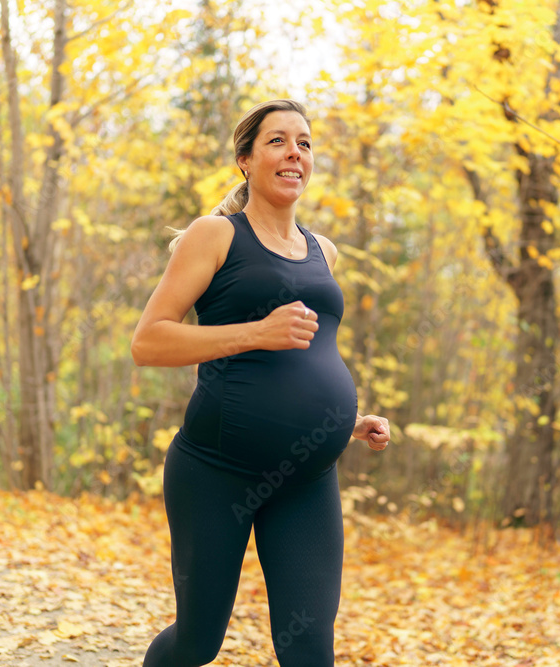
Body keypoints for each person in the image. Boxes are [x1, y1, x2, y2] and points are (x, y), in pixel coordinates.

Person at [131, 99, 391, 667]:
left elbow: (306, 359)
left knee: (308, 649)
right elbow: (148, 342)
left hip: (307, 478)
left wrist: (345, 423)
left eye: (304, 141)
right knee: (197, 642)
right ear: (245, 159)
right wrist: (255, 331)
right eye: (277, 141)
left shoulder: (325, 251)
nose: (294, 152)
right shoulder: (216, 235)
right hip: (216, 472)